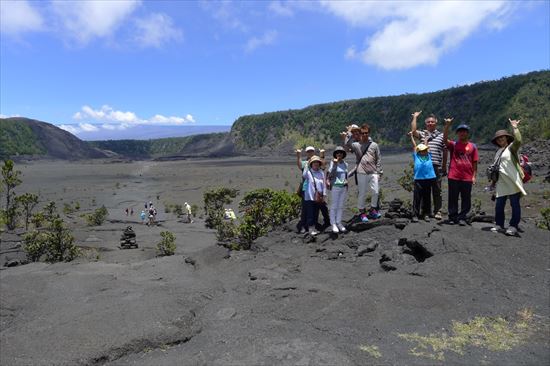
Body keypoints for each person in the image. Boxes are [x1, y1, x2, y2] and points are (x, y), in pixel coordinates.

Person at [488, 119, 526, 236]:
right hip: (501, 182)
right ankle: (499, 224)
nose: (500, 140)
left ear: (507, 138)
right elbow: (496, 168)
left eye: (502, 137)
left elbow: (518, 140)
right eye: (498, 139)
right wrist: (493, 183)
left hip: (512, 179)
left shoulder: (511, 148)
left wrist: (515, 127)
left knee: (514, 204)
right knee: (499, 204)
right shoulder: (498, 152)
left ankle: (513, 226)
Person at [411, 111, 447, 219]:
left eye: (432, 121)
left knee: (437, 190)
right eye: (428, 122)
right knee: (424, 191)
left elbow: (445, 151)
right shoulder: (422, 134)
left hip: (436, 165)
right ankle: (424, 212)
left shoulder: (441, 135)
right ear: (426, 123)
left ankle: (438, 211)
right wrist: (415, 117)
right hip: (424, 167)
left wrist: (444, 166)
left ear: (436, 122)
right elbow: (413, 131)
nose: (430, 123)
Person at [442, 118, 479, 226]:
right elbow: (444, 140)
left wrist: (474, 176)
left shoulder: (473, 146)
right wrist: (447, 126)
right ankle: (453, 216)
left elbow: (475, 162)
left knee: (466, 198)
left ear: (467, 133)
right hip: (454, 175)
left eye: (464, 131)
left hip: (467, 177)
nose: (462, 133)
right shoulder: (453, 145)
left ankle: (463, 217)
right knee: (452, 197)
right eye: (460, 131)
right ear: (458, 133)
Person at [344, 123, 383, 222]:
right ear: (360, 133)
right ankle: (362, 213)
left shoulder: (374, 145)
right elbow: (347, 143)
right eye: (363, 133)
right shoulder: (357, 145)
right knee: (362, 193)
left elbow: (378, 159)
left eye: (366, 133)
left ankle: (373, 210)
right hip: (361, 172)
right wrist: (349, 132)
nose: (364, 134)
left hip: (373, 171)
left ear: (369, 133)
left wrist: (379, 172)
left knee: (376, 191)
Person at [296, 146, 328, 232]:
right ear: (306, 153)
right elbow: (300, 166)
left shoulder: (318, 162)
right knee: (306, 208)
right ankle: (304, 225)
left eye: (311, 151)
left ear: (314, 152)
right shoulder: (305, 163)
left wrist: (322, 155)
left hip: (317, 190)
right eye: (308, 151)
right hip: (306, 188)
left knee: (316, 207)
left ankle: (314, 224)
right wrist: (299, 155)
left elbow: (323, 166)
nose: (310, 152)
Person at [408, 132, 436, 222]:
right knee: (417, 198)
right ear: (419, 151)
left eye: (425, 150)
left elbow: (426, 145)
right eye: (422, 150)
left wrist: (426, 140)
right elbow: (414, 145)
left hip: (428, 179)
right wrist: (411, 136)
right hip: (418, 180)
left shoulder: (429, 155)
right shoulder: (416, 156)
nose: (424, 151)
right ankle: (415, 214)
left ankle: (426, 214)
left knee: (427, 197)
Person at [302, 156, 327, 235]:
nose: (316, 164)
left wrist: (324, 194)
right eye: (314, 162)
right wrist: (306, 165)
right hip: (310, 197)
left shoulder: (321, 173)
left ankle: (314, 228)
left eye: (317, 162)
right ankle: (310, 229)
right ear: (311, 164)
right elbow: (304, 175)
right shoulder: (309, 172)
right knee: (310, 213)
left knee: (316, 212)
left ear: (319, 164)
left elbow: (324, 185)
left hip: (318, 196)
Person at [327, 146, 349, 233]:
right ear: (335, 154)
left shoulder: (345, 164)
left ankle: (339, 222)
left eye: (341, 153)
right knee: (334, 205)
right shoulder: (332, 162)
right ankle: (333, 223)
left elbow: (345, 175)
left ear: (343, 154)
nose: (339, 154)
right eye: (337, 153)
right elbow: (331, 175)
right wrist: (335, 164)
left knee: (340, 206)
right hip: (335, 186)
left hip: (343, 186)